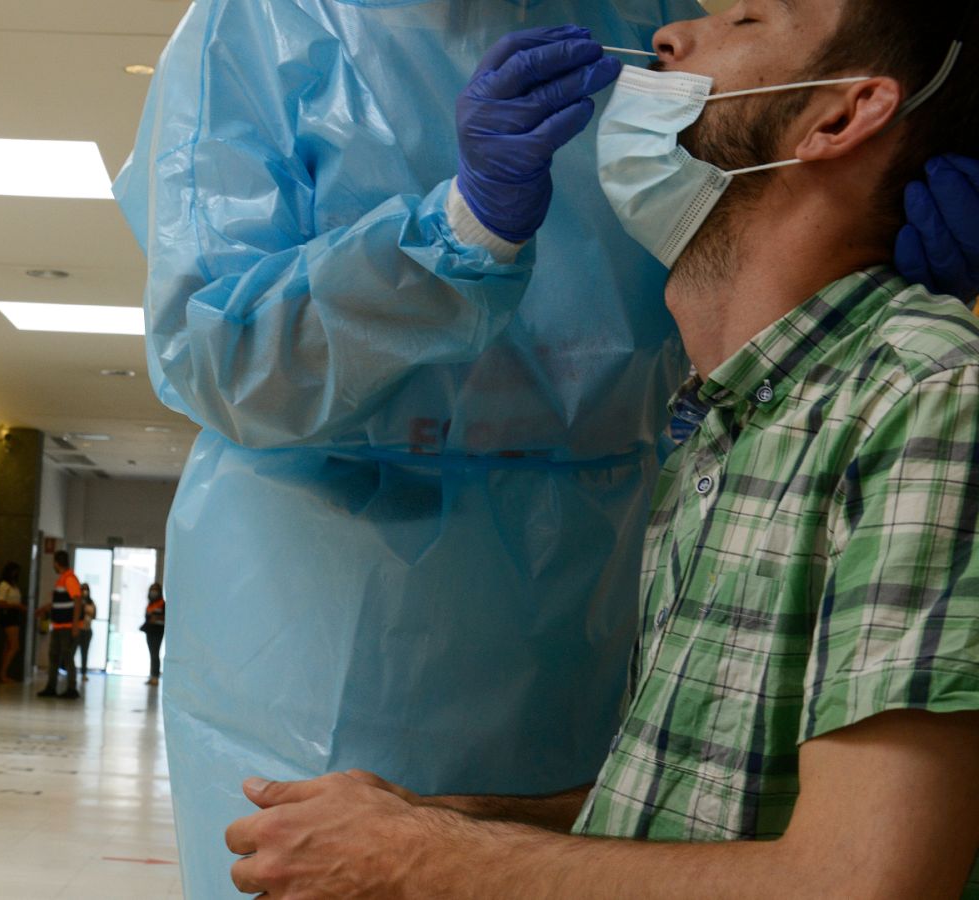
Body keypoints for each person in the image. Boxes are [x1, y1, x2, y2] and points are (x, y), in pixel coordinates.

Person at [112, 0, 979, 890]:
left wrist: (420, 844)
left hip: (588, 586)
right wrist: (462, 227)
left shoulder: (910, 398)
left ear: (844, 113)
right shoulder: (265, 24)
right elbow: (216, 351)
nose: (666, 47)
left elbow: (852, 872)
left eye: (747, 15)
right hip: (314, 607)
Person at [35, 550, 83, 700]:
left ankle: (71, 688)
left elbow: (77, 601)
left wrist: (75, 625)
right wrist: (45, 609)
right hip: (58, 626)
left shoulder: (69, 579)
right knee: (54, 656)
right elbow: (59, 603)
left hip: (67, 627)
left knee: (67, 657)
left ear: (57, 562)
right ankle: (51, 687)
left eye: (54, 562)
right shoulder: (63, 579)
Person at [0, 561, 26, 684]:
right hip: (8, 615)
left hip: (14, 615)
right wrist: (17, 606)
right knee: (14, 645)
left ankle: (2, 674)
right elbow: (0, 602)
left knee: (8, 646)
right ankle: (2, 674)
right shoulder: (4, 585)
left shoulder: (14, 585)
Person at [141, 582, 165, 686]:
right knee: (152, 654)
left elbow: (165, 617)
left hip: (158, 631)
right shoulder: (150, 604)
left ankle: (155, 676)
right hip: (150, 631)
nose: (154, 592)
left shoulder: (162, 604)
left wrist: (157, 618)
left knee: (155, 654)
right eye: (152, 589)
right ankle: (152, 676)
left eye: (156, 589)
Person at [75, 584, 96, 679]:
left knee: (85, 652)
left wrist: (87, 612)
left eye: (86, 589)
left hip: (87, 630)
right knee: (72, 651)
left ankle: (84, 673)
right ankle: (70, 672)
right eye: (83, 589)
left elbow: (94, 615)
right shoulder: (77, 601)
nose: (85, 591)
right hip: (78, 629)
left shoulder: (91, 603)